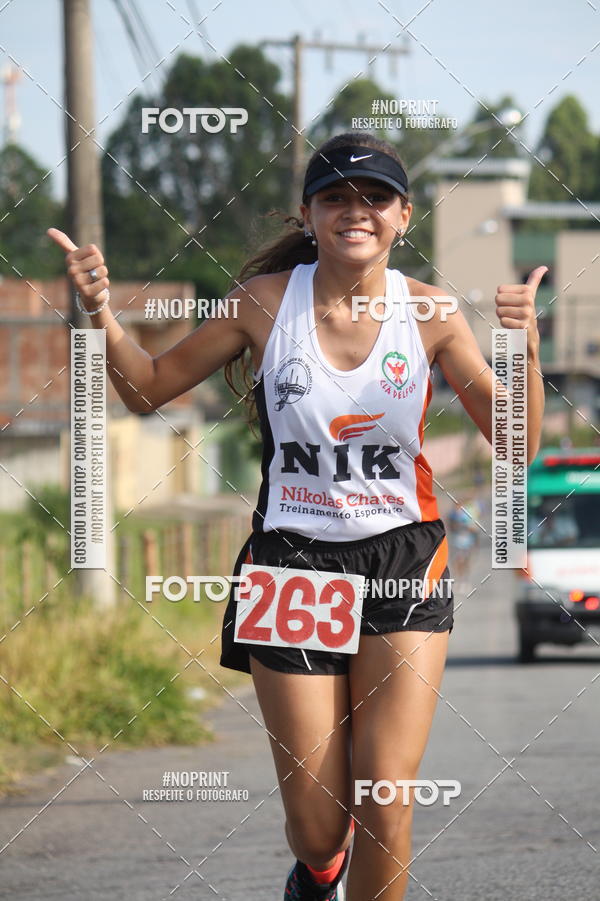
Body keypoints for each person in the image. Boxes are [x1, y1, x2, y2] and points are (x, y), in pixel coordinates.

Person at [48, 130, 546, 901]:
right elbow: (146, 389)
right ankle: (318, 873)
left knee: (386, 795)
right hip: (292, 565)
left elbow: (515, 442)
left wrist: (524, 348)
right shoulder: (260, 304)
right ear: (309, 215)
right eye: (336, 197)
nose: (357, 211)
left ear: (403, 215)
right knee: (319, 825)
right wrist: (101, 312)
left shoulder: (434, 314)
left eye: (375, 197)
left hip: (402, 563)